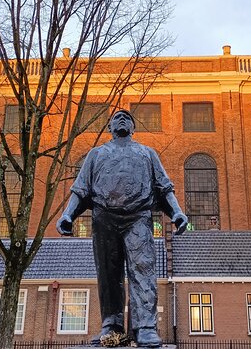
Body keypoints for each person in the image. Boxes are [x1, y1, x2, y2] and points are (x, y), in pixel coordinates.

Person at [57, 109, 188, 347]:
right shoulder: (96, 154)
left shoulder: (147, 153)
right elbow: (81, 188)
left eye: (127, 118)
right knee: (108, 275)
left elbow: (164, 187)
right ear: (109, 127)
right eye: (117, 117)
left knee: (143, 270)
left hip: (138, 217)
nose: (122, 119)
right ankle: (112, 325)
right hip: (104, 218)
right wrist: (68, 215)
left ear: (133, 128)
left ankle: (145, 327)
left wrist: (176, 212)